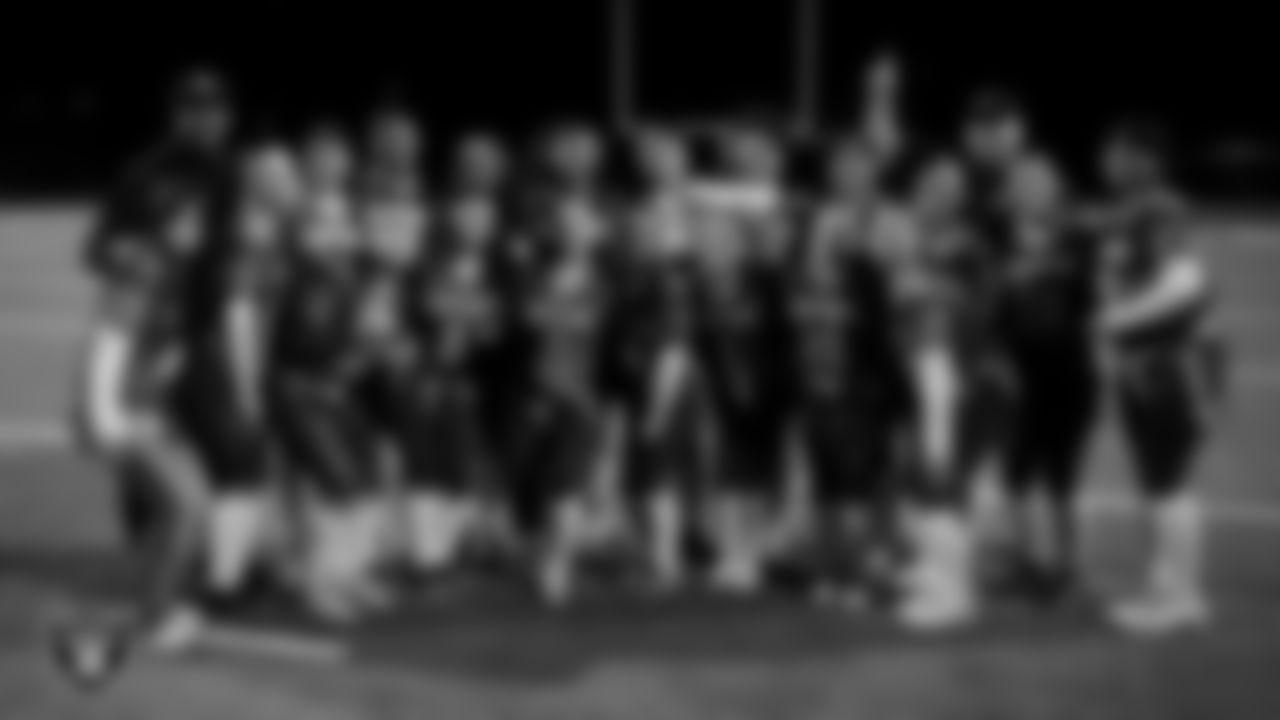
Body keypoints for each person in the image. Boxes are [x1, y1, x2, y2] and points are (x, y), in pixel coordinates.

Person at [71, 67, 247, 656]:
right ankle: (156, 608)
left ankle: (163, 589)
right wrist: (115, 423)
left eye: (219, 108)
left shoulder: (223, 180)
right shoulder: (145, 256)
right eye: (196, 108)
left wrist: (174, 364)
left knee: (195, 491)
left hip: (161, 379)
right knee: (184, 501)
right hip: (123, 404)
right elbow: (107, 346)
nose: (210, 118)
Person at [1093, 122, 1221, 634]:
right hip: (1142, 366)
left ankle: (1181, 596)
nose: (1107, 160)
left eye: (1116, 151)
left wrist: (1114, 322)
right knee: (1156, 479)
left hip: (1166, 365)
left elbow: (1186, 282)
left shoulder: (1160, 207)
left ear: (1143, 156)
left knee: (1168, 480)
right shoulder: (1132, 209)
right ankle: (1166, 587)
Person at [269, 125, 387, 623]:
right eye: (321, 157)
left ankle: (344, 572)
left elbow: (367, 312)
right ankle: (318, 580)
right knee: (332, 483)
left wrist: (361, 352)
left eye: (340, 158)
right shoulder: (285, 236)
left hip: (339, 382)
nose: (332, 166)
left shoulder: (349, 258)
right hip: (298, 384)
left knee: (361, 478)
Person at [791, 137, 911, 606]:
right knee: (826, 470)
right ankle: (832, 564)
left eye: (857, 165)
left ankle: (872, 563)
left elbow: (901, 285)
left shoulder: (895, 218)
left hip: (877, 362)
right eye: (839, 166)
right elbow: (809, 284)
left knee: (873, 468)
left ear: (874, 171)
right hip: (824, 357)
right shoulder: (820, 218)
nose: (847, 174)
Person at [999, 156, 1099, 602]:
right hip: (1015, 373)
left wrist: (1039, 261)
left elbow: (1090, 297)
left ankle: (1068, 565)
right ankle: (1023, 559)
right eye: (1020, 181)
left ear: (1057, 188)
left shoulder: (1078, 236)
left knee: (1062, 476)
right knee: (1014, 471)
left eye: (1039, 180)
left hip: (1068, 371)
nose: (1029, 188)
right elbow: (993, 300)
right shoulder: (998, 236)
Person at [615, 127, 705, 590]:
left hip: (681, 353)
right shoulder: (630, 215)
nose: (658, 164)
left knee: (664, 450)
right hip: (638, 348)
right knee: (647, 454)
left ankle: (670, 555)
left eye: (669, 155)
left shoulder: (700, 213)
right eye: (649, 156)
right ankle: (657, 552)